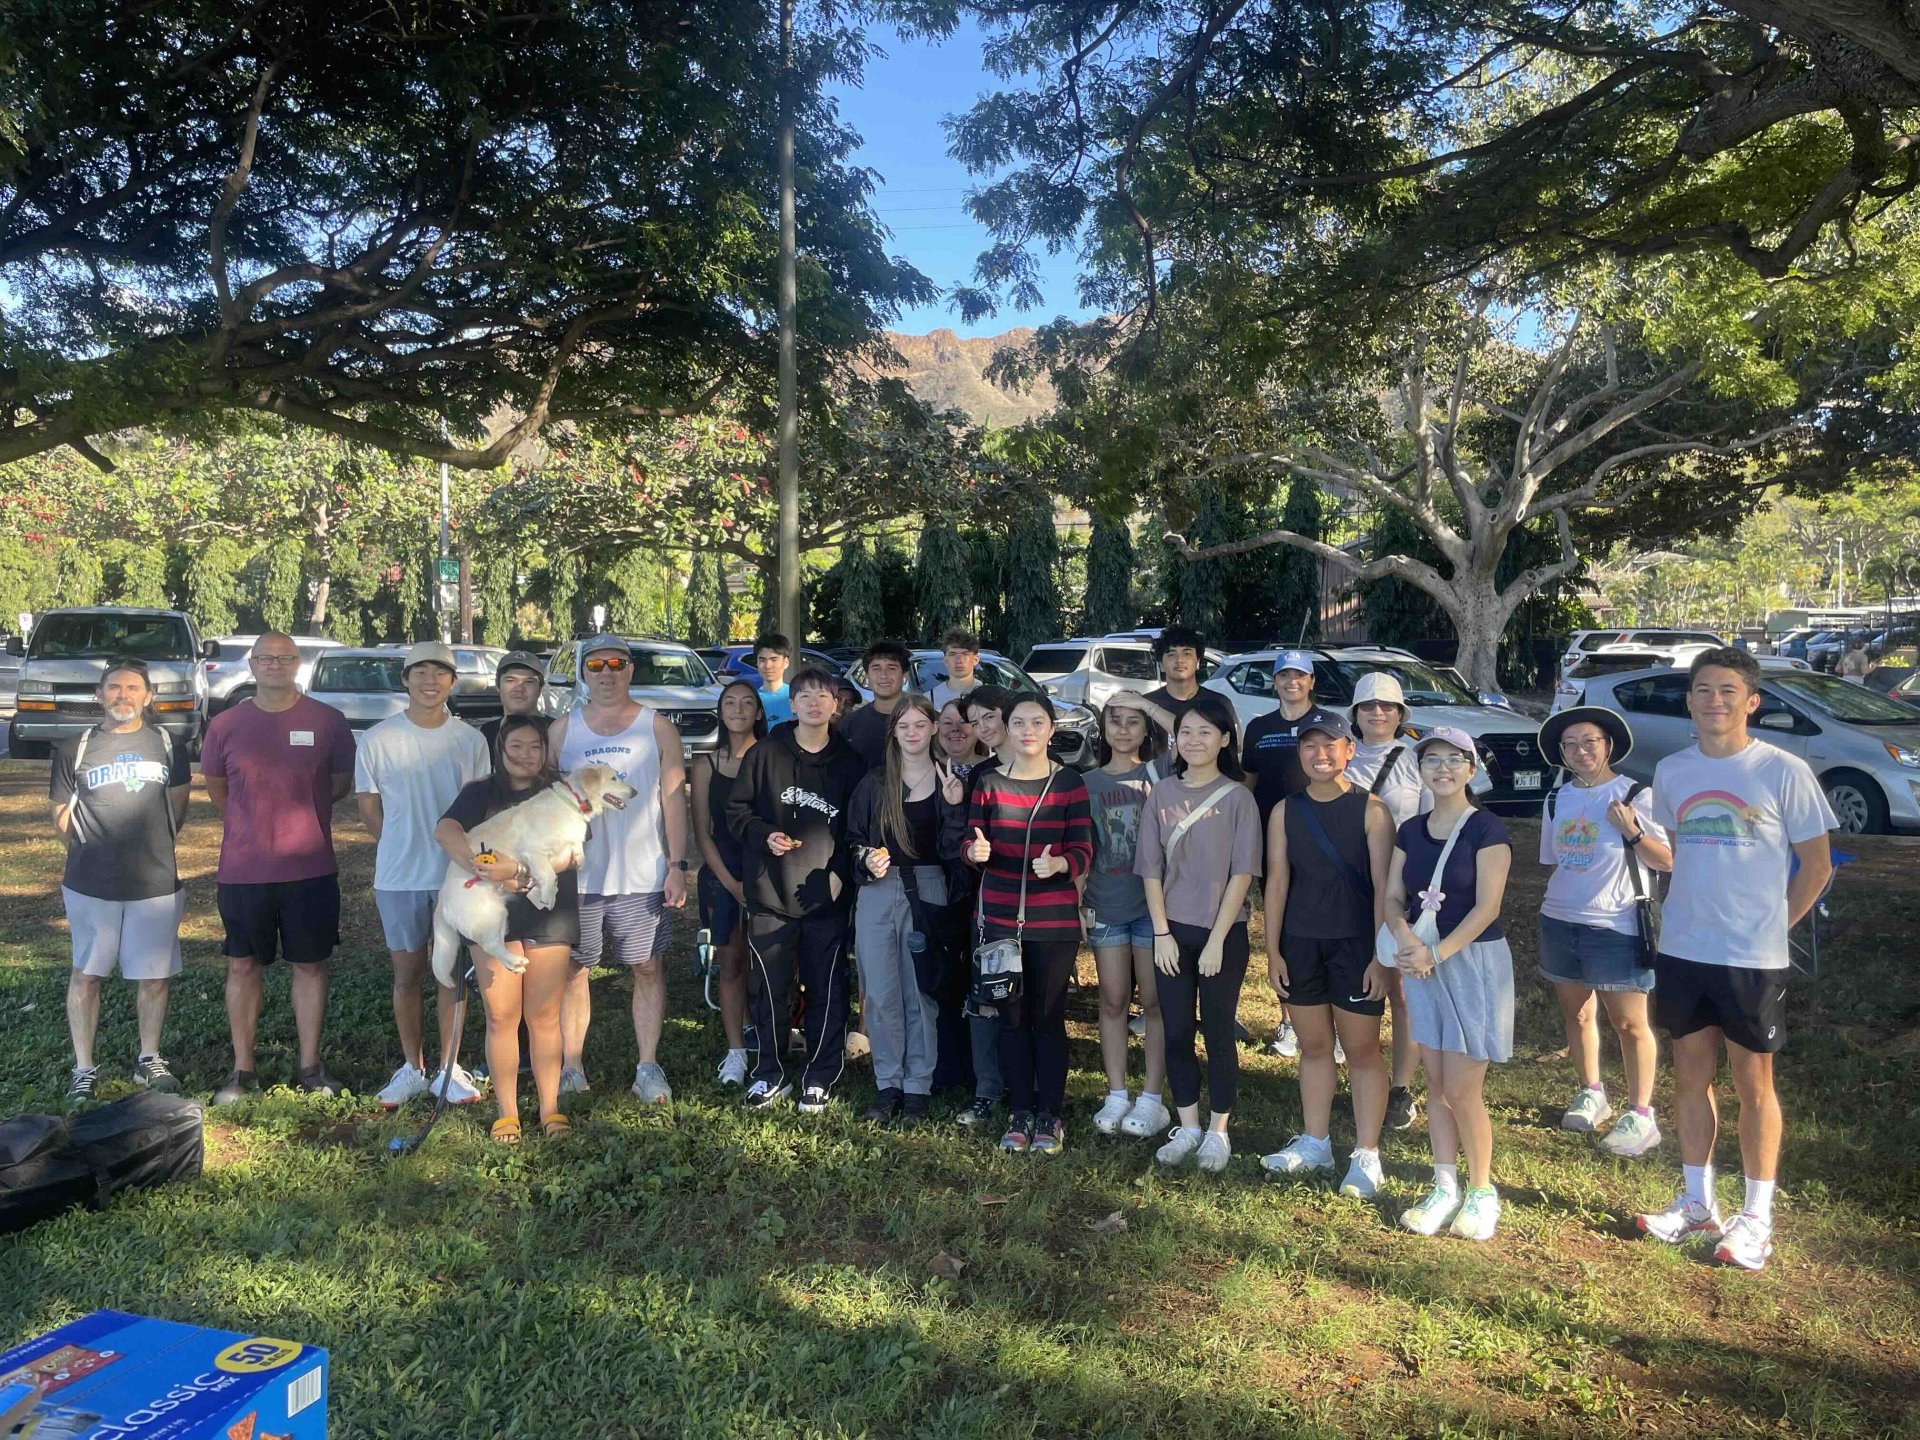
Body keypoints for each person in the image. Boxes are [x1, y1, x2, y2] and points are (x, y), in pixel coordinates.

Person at [1636, 648, 1835, 1271]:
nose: (1714, 700)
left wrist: (1775, 927)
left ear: (1752, 701)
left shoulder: (1783, 770)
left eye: (1727, 690)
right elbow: (1676, 851)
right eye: (1703, 689)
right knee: (1689, 1078)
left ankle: (1756, 1217)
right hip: (1683, 948)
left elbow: (1817, 865)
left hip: (1752, 957)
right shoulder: (1672, 771)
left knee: (1754, 1085)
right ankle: (1698, 1203)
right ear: (1688, 700)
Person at [201, 631, 357, 1104]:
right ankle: (243, 1072)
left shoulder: (328, 721)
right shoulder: (225, 725)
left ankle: (310, 1067)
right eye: (266, 658)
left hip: (310, 867)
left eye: (284, 657)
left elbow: (338, 784)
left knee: (310, 964)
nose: (275, 665)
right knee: (242, 965)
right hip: (243, 869)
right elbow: (218, 790)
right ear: (252, 665)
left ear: (297, 663)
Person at [1383, 727, 1515, 1241]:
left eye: (1454, 759)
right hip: (1420, 962)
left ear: (1471, 769)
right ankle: (1444, 1184)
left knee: (1462, 1087)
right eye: (1432, 759)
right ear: (1420, 769)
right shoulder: (1411, 830)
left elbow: (1488, 907)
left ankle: (1482, 1190)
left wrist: (1435, 952)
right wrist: (1405, 939)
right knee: (1435, 1084)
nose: (1442, 768)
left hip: (1471, 963)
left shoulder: (1487, 828)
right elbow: (1393, 896)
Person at [1258, 712, 1398, 1195]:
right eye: (1310, 746)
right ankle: (1316, 1142)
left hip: (1355, 946)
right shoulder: (1284, 811)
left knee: (1361, 1051)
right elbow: (1277, 883)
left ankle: (1367, 1154)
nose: (1320, 755)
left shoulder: (1373, 811)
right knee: (1314, 1047)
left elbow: (1384, 888)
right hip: (1300, 943)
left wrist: (1380, 955)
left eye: (1330, 745)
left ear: (1349, 750)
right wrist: (1272, 949)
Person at [550, 634, 691, 1104]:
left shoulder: (657, 728)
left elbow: (673, 799)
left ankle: (648, 1067)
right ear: (583, 673)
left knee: (647, 966)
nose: (606, 673)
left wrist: (677, 864)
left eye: (616, 664)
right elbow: (544, 800)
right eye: (596, 665)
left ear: (630, 670)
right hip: (577, 874)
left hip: (642, 872)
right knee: (574, 969)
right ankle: (571, 1067)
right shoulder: (562, 731)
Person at [355, 641, 492, 1108]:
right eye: (420, 672)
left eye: (440, 673)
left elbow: (480, 810)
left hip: (456, 877)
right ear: (405, 679)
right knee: (407, 973)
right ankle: (412, 1068)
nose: (429, 681)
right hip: (398, 878)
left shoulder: (470, 741)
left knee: (450, 974)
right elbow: (369, 808)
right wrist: (398, 844)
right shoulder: (377, 739)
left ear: (453, 681)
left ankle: (449, 1069)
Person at [49, 659, 192, 1109]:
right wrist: (94, 853)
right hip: (91, 883)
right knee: (86, 975)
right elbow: (61, 815)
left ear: (148, 696)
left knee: (154, 976)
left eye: (132, 688)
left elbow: (177, 809)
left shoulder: (168, 744)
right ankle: (84, 1068)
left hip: (155, 881)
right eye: (114, 687)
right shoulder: (75, 747)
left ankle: (149, 1058)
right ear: (99, 695)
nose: (123, 695)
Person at [727, 665, 869, 1111]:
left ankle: (820, 1075)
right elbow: (737, 810)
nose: (813, 703)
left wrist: (839, 873)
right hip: (771, 893)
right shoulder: (765, 753)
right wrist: (763, 834)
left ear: (835, 705)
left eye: (822, 696)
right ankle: (769, 1072)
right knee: (770, 989)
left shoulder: (850, 763)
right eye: (804, 696)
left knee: (826, 988)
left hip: (825, 896)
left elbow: (859, 828)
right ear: (791, 705)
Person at [434, 715, 581, 1143]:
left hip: (549, 910)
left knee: (544, 1015)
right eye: (516, 746)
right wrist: (483, 866)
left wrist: (517, 873)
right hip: (489, 911)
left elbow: (571, 854)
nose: (526, 755)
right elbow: (445, 831)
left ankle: (550, 1109)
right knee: (501, 1015)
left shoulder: (563, 793)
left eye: (535, 746)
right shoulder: (480, 792)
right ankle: (508, 1113)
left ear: (546, 752)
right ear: (501, 750)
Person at [1537, 706, 1672, 1158]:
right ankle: (1591, 1091)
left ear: (1608, 745)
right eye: (1570, 745)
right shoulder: (1556, 799)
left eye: (1589, 742)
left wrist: (1631, 831)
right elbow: (1556, 861)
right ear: (1561, 753)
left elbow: (1666, 860)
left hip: (1616, 925)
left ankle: (1641, 1113)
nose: (1581, 751)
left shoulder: (1635, 793)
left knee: (1630, 1023)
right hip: (1561, 920)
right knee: (1576, 1015)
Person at [1136, 692, 1263, 1172]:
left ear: (1225, 739)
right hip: (1171, 932)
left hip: (1222, 936)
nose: (1193, 740)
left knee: (1218, 1031)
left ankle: (1218, 1131)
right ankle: (1188, 1125)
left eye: (1205, 732)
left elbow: (1242, 873)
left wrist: (1215, 939)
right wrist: (1161, 933)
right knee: (1176, 1030)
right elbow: (1150, 869)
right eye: (1185, 732)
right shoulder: (1162, 794)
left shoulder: (1239, 798)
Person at [964, 693, 1093, 1155]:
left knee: (1048, 1017)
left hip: (1052, 922)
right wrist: (974, 852)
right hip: (1000, 920)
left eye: (1037, 722)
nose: (1027, 731)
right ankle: (1020, 1111)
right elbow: (969, 843)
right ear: (1008, 728)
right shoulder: (989, 782)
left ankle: (1049, 1115)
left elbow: (1084, 849)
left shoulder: (1069, 783)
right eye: (1018, 722)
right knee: (1011, 1019)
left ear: (1051, 729)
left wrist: (1060, 865)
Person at [846, 697, 967, 1125]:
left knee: (921, 993)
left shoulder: (949, 778)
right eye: (904, 726)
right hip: (879, 891)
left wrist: (954, 806)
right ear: (893, 732)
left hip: (928, 890)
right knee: (880, 993)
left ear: (933, 728)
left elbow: (956, 851)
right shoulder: (875, 782)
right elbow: (853, 840)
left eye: (920, 724)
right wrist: (865, 859)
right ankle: (888, 1084)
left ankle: (918, 1086)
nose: (912, 733)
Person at [1080, 699, 1171, 1140]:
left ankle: (1152, 1097)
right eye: (1114, 721)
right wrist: (1078, 903)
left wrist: (1142, 702)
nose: (1123, 729)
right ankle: (1116, 1093)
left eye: (1133, 722)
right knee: (1113, 1000)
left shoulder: (1159, 774)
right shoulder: (1086, 783)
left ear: (1146, 730)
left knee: (1155, 1003)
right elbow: (1081, 849)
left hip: (1154, 910)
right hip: (1106, 904)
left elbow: (1185, 730)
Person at [1344, 671, 1427, 1128]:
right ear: (1355, 713)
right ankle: (1361, 1074)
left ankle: (1401, 1087)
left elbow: (1433, 823)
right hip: (1348, 885)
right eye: (1369, 705)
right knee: (1352, 981)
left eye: (1388, 706)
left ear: (1400, 713)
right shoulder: (1339, 754)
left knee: (1402, 991)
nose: (1378, 713)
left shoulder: (1416, 760)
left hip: (1401, 888)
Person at [1240, 649, 1321, 1057]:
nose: (1292, 682)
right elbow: (1248, 784)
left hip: (1320, 841)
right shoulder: (1259, 727)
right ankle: (1288, 1022)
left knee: (1322, 927)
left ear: (1311, 682)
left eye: (1300, 675)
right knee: (1281, 929)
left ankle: (1328, 1021)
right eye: (1285, 675)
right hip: (1271, 843)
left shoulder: (1326, 724)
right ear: (1274, 682)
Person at [692, 680, 766, 1089]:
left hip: (768, 873)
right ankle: (736, 1050)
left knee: (772, 963)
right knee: (732, 962)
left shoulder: (772, 757)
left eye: (747, 702)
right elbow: (703, 834)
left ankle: (770, 1035)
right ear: (720, 711)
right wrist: (731, 884)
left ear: (759, 712)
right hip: (723, 875)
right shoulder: (707, 764)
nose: (738, 709)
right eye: (730, 703)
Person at [952, 685, 1012, 1126]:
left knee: (1030, 1001)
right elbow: (966, 841)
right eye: (975, 721)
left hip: (1041, 906)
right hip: (990, 904)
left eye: (989, 716)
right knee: (987, 995)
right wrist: (972, 852)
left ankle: (1030, 1088)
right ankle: (987, 1089)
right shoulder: (980, 776)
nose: (982, 727)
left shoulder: (1056, 772)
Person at [841, 639, 912, 770]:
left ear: (905, 676)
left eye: (891, 668)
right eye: (876, 668)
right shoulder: (849, 725)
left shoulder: (924, 720)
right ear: (867, 677)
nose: (883, 675)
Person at [480, 652, 550, 751]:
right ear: (498, 686)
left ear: (540, 688)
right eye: (510, 680)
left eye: (529, 682)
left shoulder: (557, 731)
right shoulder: (486, 734)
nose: (519, 688)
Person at [929, 628, 982, 709]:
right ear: (945, 660)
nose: (959, 660)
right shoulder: (930, 698)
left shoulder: (991, 695)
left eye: (965, 654)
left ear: (975, 660)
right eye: (952, 654)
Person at [937, 698, 988, 776]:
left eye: (963, 722)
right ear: (937, 728)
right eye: (947, 722)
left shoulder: (997, 770)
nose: (955, 728)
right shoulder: (926, 769)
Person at [751, 633, 795, 725]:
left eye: (774, 660)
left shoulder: (797, 696)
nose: (768, 666)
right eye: (762, 660)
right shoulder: (751, 699)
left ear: (786, 662)